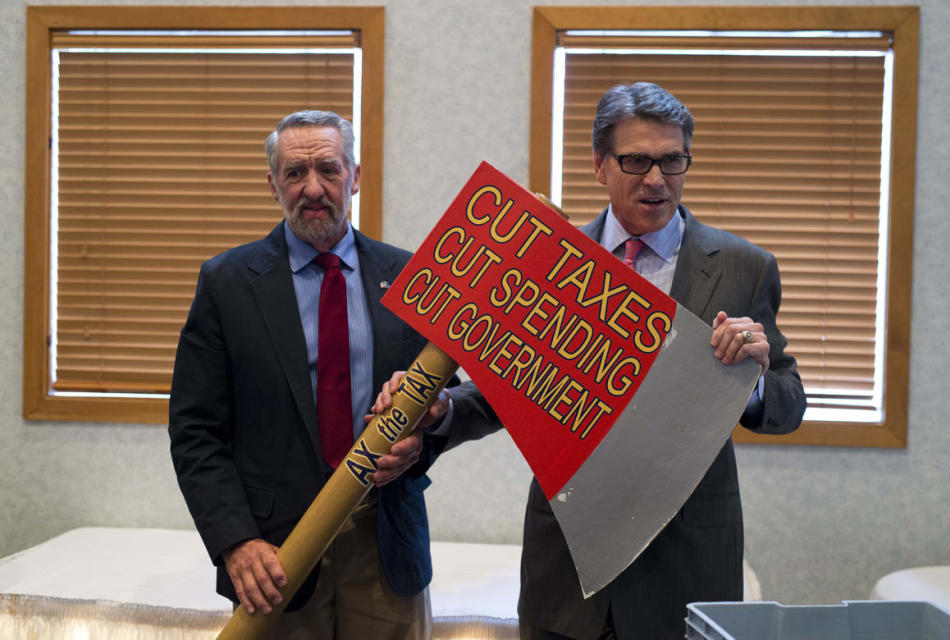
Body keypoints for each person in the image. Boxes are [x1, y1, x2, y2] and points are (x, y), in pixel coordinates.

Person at [374, 82, 807, 639]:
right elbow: (508, 384)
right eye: (636, 160)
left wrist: (745, 382)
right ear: (600, 165)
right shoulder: (547, 262)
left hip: (686, 559)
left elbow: (789, 400)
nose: (656, 179)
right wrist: (441, 411)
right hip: (566, 561)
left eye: (672, 160)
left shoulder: (744, 266)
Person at [169, 110, 448, 640]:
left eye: (328, 169)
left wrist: (420, 444)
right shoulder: (226, 284)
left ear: (355, 176)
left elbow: (438, 404)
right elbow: (195, 432)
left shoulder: (410, 279)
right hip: (274, 555)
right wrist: (235, 542)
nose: (313, 188)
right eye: (295, 174)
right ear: (273, 184)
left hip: (384, 542)